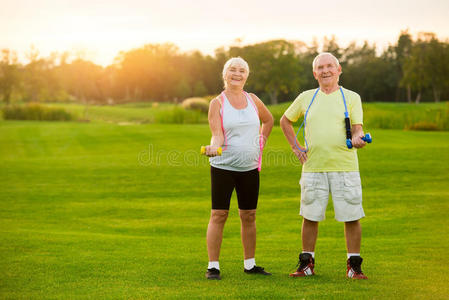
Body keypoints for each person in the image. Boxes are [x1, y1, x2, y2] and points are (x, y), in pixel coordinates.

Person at [280, 52, 368, 279]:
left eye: (330, 66)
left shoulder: (351, 97)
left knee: (351, 216)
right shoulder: (306, 97)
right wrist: (295, 147)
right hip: (313, 167)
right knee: (309, 215)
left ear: (339, 70)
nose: (325, 70)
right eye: (320, 67)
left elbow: (357, 127)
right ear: (314, 73)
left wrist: (358, 137)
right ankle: (306, 264)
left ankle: (354, 266)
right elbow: (285, 121)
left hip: (345, 166)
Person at [203, 57, 274, 280]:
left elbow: (269, 120)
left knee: (249, 215)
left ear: (246, 75)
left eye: (242, 70)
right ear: (225, 74)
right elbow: (217, 134)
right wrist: (214, 147)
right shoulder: (218, 103)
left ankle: (250, 265)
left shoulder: (253, 99)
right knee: (219, 214)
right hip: (223, 167)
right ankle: (213, 266)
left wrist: (261, 139)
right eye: (232, 70)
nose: (237, 73)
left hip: (250, 167)